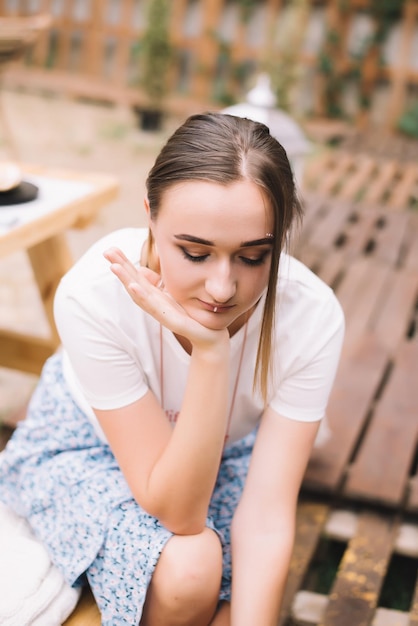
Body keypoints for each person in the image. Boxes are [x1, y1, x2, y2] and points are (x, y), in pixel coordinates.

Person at [0, 112, 344, 626]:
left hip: (222, 451)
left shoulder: (311, 315)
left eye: (253, 257)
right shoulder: (93, 293)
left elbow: (268, 514)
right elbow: (179, 513)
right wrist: (211, 354)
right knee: (192, 567)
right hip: (87, 447)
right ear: (150, 218)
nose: (222, 287)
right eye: (195, 253)